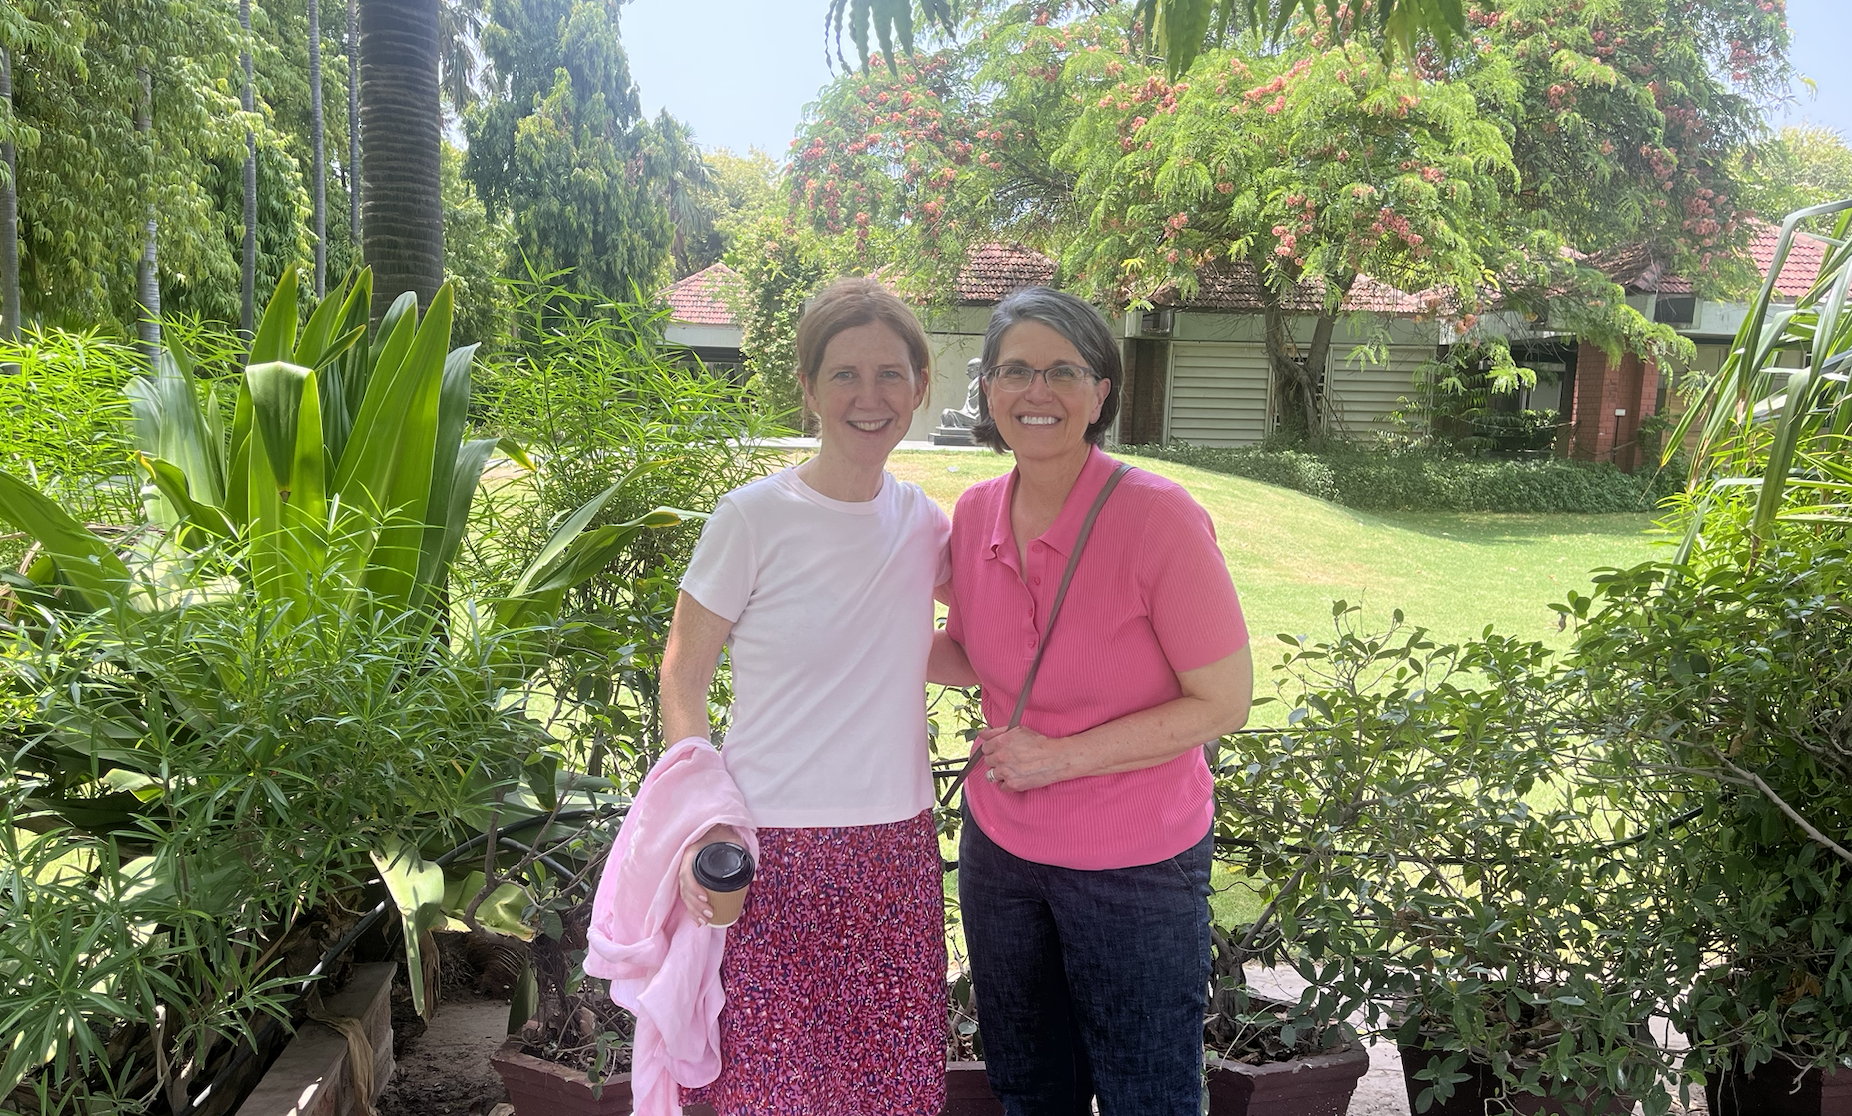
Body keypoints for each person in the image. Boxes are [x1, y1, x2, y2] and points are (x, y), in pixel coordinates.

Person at [941, 286, 1255, 1116]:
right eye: (1013, 370)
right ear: (987, 388)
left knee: (1145, 1093)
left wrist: (1061, 758)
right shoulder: (974, 516)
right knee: (1028, 1083)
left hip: (1136, 865)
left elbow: (1223, 701)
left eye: (1061, 371)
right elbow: (975, 652)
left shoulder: (1158, 518)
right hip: (1002, 854)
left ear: (1100, 393)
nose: (1034, 392)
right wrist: (841, 637)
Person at [658, 277, 961, 1115]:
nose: (870, 398)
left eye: (891, 375)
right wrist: (704, 818)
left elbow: (960, 648)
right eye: (845, 375)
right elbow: (682, 674)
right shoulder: (752, 518)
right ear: (808, 387)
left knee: (888, 1093)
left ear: (920, 387)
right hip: (770, 853)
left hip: (892, 854)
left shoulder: (926, 525)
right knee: (766, 1092)